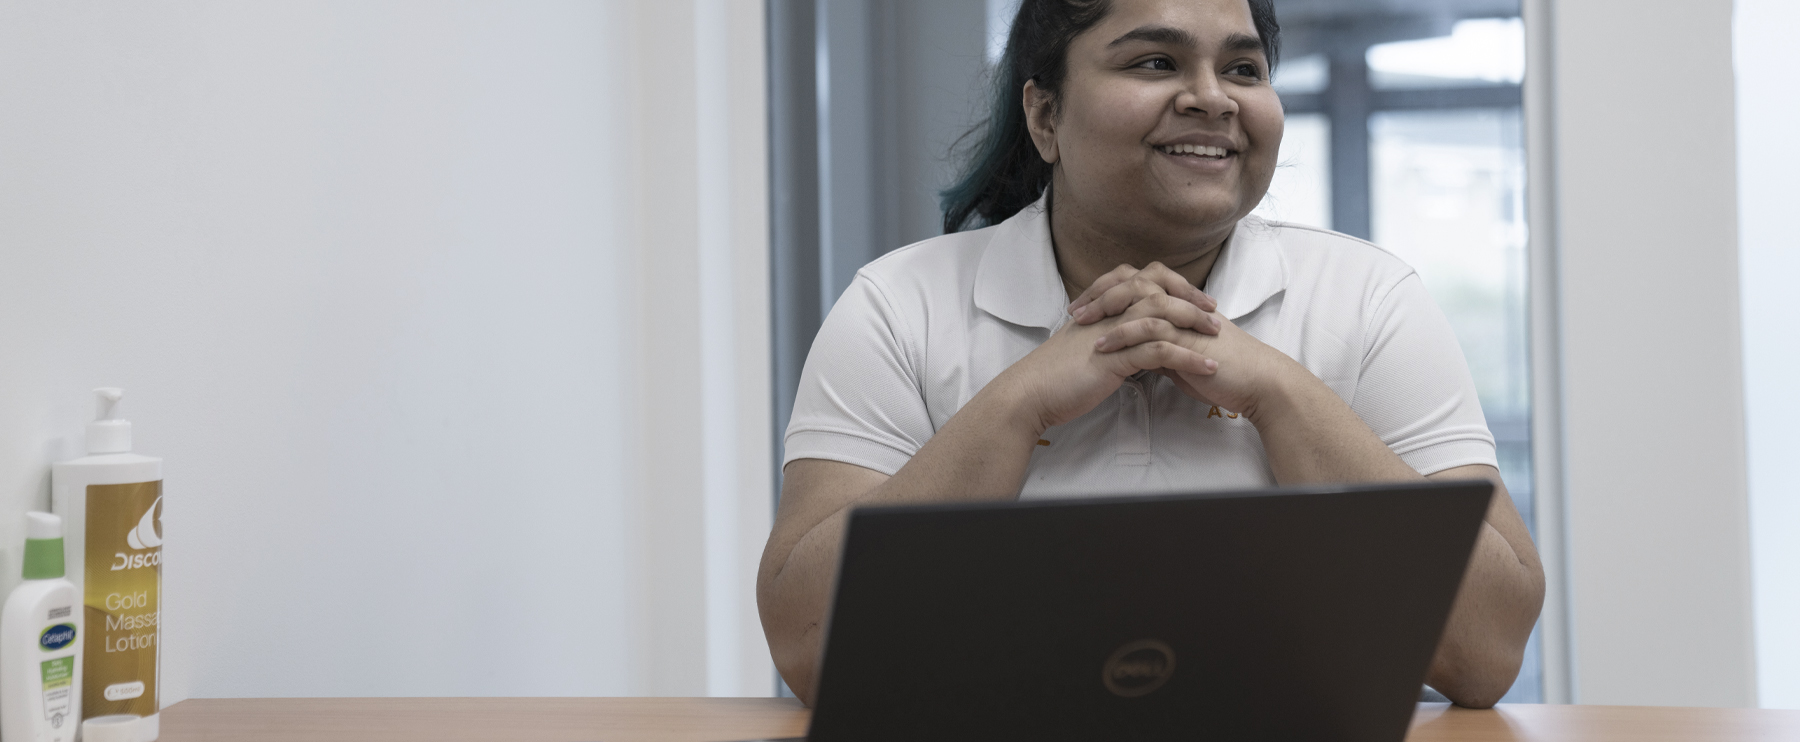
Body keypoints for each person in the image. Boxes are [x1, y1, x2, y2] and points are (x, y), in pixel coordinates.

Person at [756, 0, 1544, 709]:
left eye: (1243, 68)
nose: (1212, 96)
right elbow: (808, 645)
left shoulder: (1370, 297)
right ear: (1044, 116)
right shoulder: (900, 304)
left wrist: (1280, 393)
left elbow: (1487, 650)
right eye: (1154, 62)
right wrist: (1020, 402)